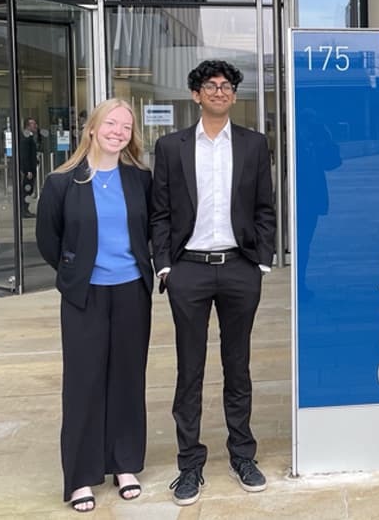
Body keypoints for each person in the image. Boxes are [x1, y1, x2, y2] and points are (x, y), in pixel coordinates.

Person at [151, 60, 276, 506]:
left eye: (227, 86)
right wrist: (165, 266)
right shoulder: (171, 147)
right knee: (190, 370)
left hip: (240, 267)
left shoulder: (254, 144)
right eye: (211, 86)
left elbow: (265, 206)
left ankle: (242, 454)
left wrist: (261, 260)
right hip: (189, 270)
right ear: (196, 95)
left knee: (237, 366)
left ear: (234, 96)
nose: (220, 91)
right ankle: (190, 464)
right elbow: (160, 212)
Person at [35, 98, 153, 512]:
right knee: (83, 383)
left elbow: (150, 229)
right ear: (92, 128)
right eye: (111, 124)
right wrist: (74, 270)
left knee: (127, 379)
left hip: (131, 291)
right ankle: (81, 476)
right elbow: (50, 241)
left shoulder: (139, 178)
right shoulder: (62, 182)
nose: (118, 132)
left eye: (126, 126)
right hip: (85, 294)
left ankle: (124, 464)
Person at [19, 117, 39, 217]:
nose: (35, 126)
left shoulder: (30, 137)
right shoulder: (26, 138)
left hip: (31, 168)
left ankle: (25, 209)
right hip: (28, 170)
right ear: (27, 126)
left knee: (29, 189)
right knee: (26, 190)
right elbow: (25, 155)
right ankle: (24, 210)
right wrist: (28, 171)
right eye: (33, 124)